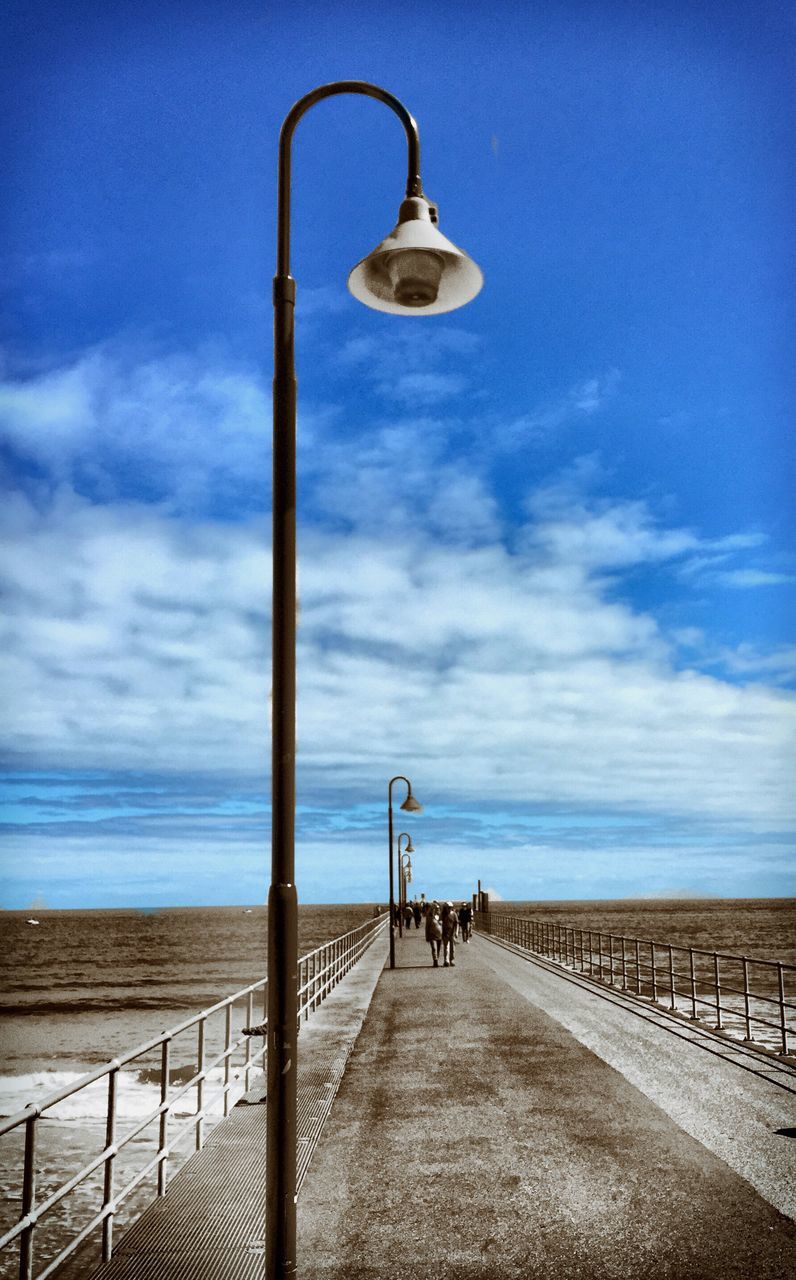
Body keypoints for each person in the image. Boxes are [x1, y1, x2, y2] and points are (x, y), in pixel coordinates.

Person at [441, 901, 459, 967]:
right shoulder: (443, 914)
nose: (449, 909)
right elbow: (440, 921)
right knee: (446, 947)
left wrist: (456, 932)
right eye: (448, 907)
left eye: (450, 907)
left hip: (452, 933)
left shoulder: (454, 914)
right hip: (445, 933)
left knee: (452, 948)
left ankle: (452, 960)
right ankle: (446, 960)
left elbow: (457, 924)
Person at [425, 901, 443, 966]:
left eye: (437, 908)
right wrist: (427, 936)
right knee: (434, 948)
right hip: (432, 935)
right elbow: (427, 927)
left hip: (440, 935)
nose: (436, 910)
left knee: (438, 949)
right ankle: (435, 960)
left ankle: (437, 958)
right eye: (434, 908)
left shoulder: (440, 916)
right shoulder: (429, 917)